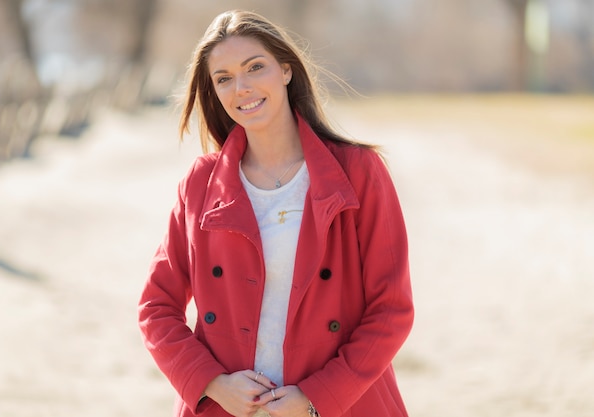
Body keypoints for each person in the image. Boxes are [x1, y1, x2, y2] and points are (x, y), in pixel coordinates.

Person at [138, 9, 414, 417]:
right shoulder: (201, 184)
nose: (242, 87)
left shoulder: (358, 173)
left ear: (286, 70)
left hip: (342, 405)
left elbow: (391, 310)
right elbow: (156, 307)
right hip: (226, 409)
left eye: (255, 67)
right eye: (224, 78)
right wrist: (212, 383)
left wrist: (318, 397)